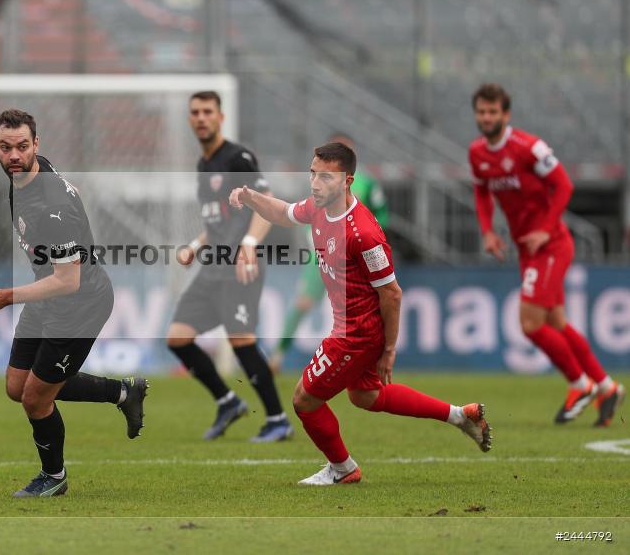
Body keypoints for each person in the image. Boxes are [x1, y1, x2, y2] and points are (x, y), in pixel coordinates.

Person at [229, 142, 491, 485]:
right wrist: (251, 197)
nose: (315, 183)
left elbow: (392, 294)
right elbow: (283, 212)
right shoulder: (319, 208)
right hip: (351, 327)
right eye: (312, 173)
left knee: (304, 399)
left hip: (357, 333)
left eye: (325, 176)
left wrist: (388, 349)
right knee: (365, 396)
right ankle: (460, 416)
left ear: (347, 181)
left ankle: (343, 469)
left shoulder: (364, 234)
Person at [0, 109, 148, 498]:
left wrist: (5, 297)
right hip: (47, 292)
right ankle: (123, 393)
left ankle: (54, 477)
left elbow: (68, 281)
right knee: (17, 386)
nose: (14, 155)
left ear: (37, 145)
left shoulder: (51, 210)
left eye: (22, 147)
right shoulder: (24, 174)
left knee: (34, 397)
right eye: (5, 147)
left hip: (80, 303)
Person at [470, 83, 625, 426]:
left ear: (506, 115)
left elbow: (564, 184)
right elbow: (481, 192)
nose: (487, 117)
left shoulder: (529, 147)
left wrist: (546, 227)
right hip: (528, 248)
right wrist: (488, 231)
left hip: (551, 245)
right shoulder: (478, 153)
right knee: (556, 323)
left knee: (529, 323)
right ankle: (607, 386)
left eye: (493, 111)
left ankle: (579, 384)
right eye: (481, 111)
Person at [167, 91, 293, 442]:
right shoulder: (204, 165)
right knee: (177, 338)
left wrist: (249, 245)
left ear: (221, 117)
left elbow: (265, 207)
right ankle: (227, 401)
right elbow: (217, 222)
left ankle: (278, 419)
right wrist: (194, 246)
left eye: (208, 111)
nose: (201, 117)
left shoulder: (238, 158)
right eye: (195, 112)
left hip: (240, 267)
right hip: (212, 267)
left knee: (241, 340)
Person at [270, 132, 388, 373]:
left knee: (363, 308)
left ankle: (373, 359)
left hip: (353, 258)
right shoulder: (320, 180)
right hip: (322, 255)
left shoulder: (366, 182)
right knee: (303, 303)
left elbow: (380, 214)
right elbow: (309, 212)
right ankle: (277, 356)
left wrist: (370, 240)